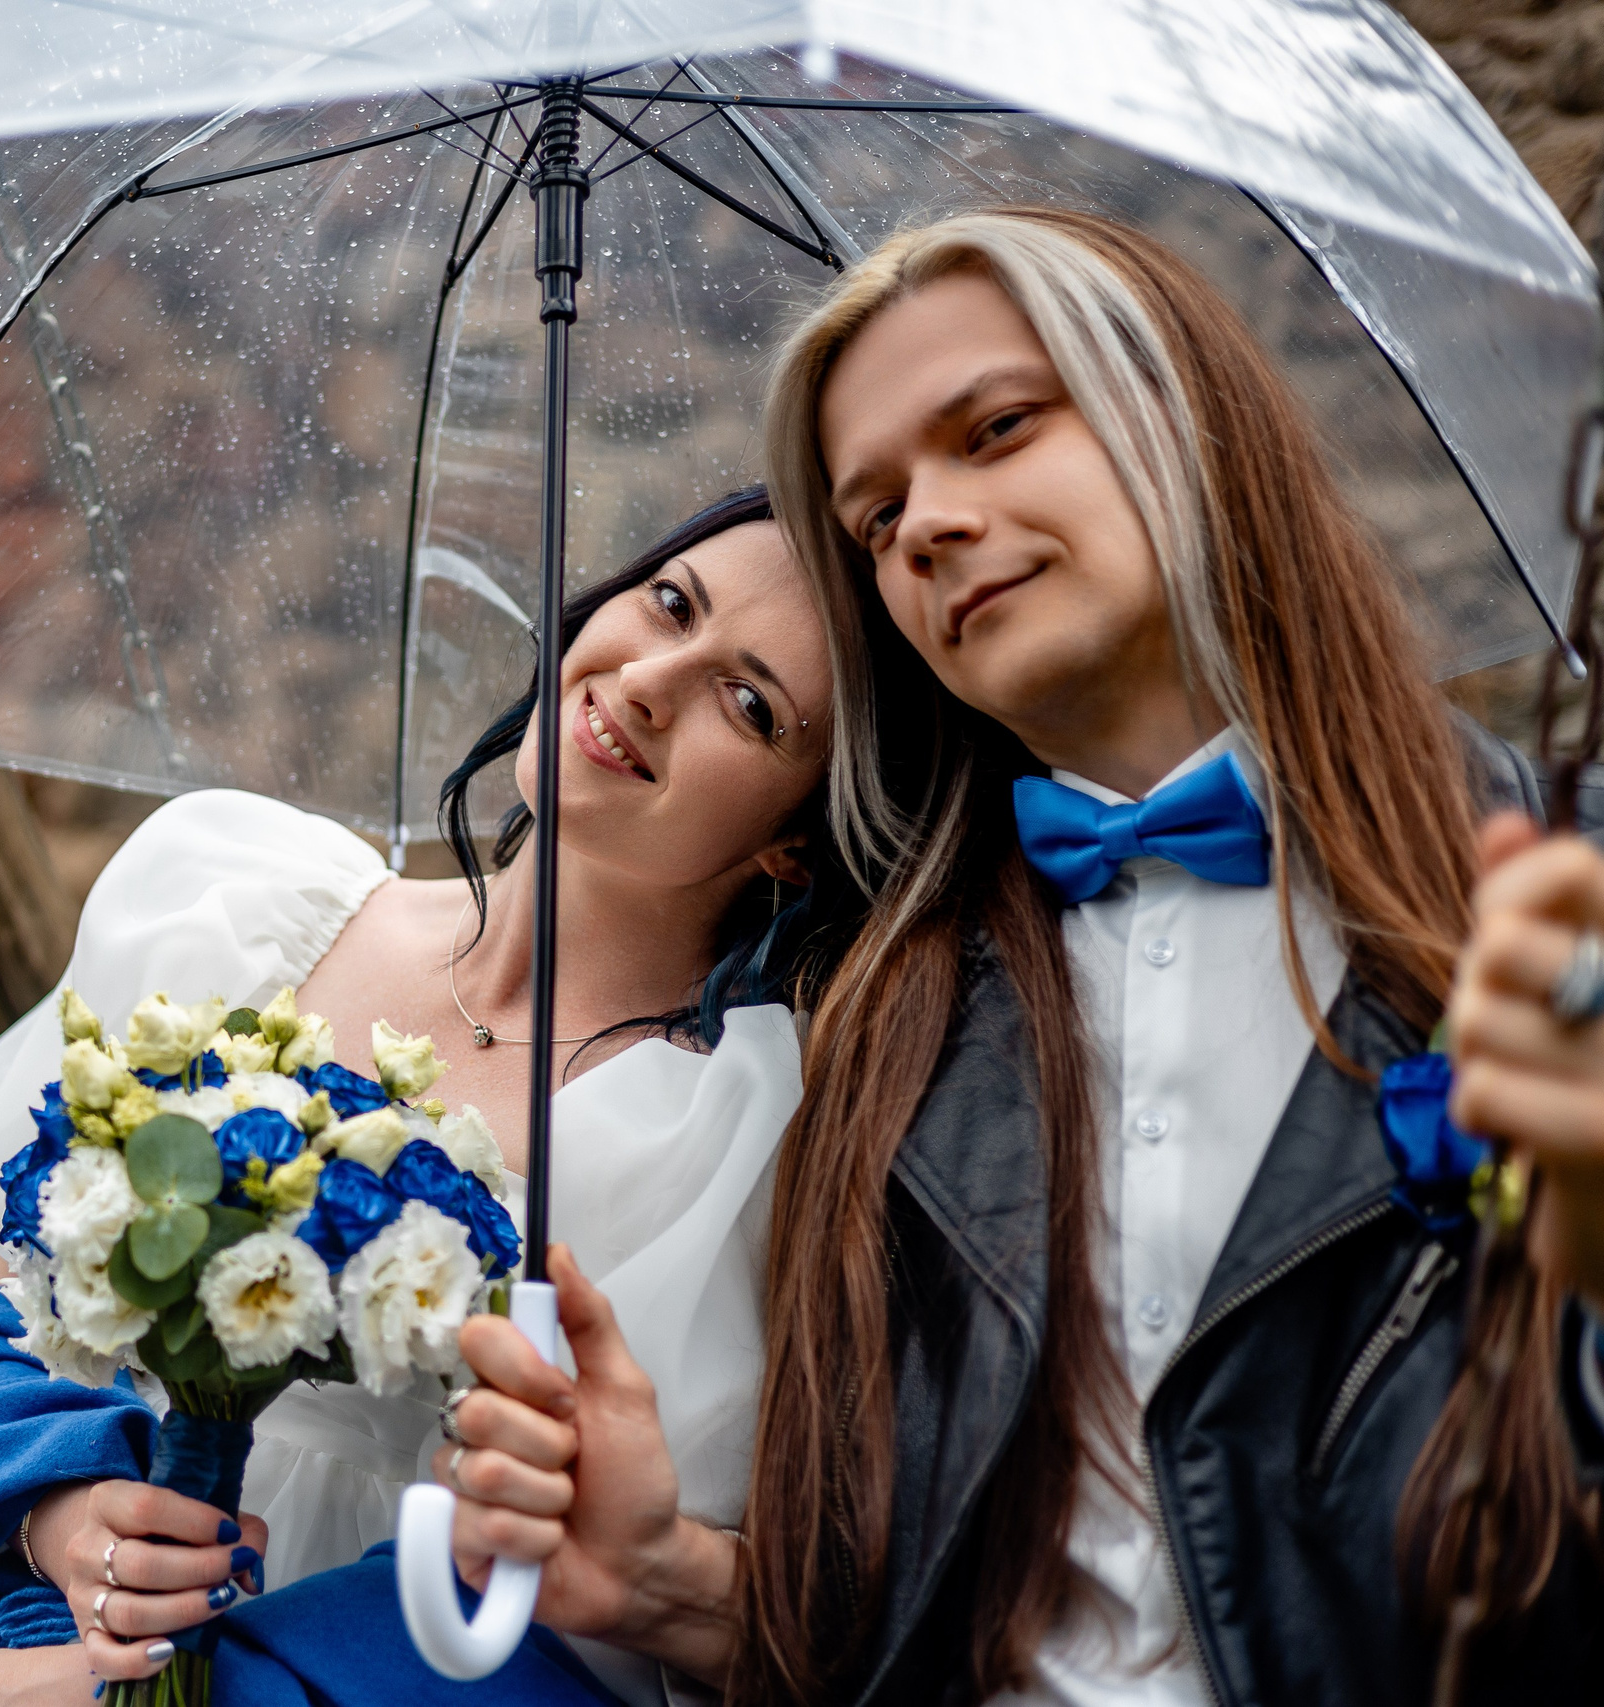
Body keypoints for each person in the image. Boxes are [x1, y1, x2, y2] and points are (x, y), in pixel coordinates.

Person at [432, 206, 1604, 1706]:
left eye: (994, 428)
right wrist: (667, 1572)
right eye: (876, 515)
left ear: (1180, 410)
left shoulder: (1549, 898)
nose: (921, 522)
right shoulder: (879, 1038)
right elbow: (881, 1636)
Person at [0, 486, 848, 1707]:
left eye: (751, 704)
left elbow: (628, 1610)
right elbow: (5, 1322)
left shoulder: (728, 1135)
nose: (652, 677)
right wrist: (65, 1519)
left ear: (796, 844)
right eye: (670, 603)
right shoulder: (233, 902)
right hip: (37, 1615)